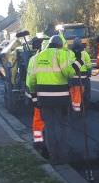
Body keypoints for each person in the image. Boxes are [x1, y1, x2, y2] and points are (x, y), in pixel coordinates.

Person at [26, 35, 82, 164]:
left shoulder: (36, 58)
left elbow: (31, 83)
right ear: (60, 45)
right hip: (61, 98)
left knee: (50, 127)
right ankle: (63, 156)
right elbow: (69, 73)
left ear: (49, 44)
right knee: (63, 126)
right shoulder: (61, 54)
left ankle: (53, 156)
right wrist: (79, 61)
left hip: (44, 99)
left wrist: (35, 100)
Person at [26, 36, 48, 156]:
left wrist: (33, 97)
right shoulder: (59, 57)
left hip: (39, 95)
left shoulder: (34, 60)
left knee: (38, 119)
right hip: (57, 96)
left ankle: (39, 142)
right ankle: (52, 143)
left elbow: (30, 81)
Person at [69, 37, 92, 112]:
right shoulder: (84, 53)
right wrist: (89, 72)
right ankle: (80, 106)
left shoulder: (70, 53)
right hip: (83, 77)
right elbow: (89, 65)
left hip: (72, 76)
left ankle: (72, 105)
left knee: (72, 91)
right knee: (83, 92)